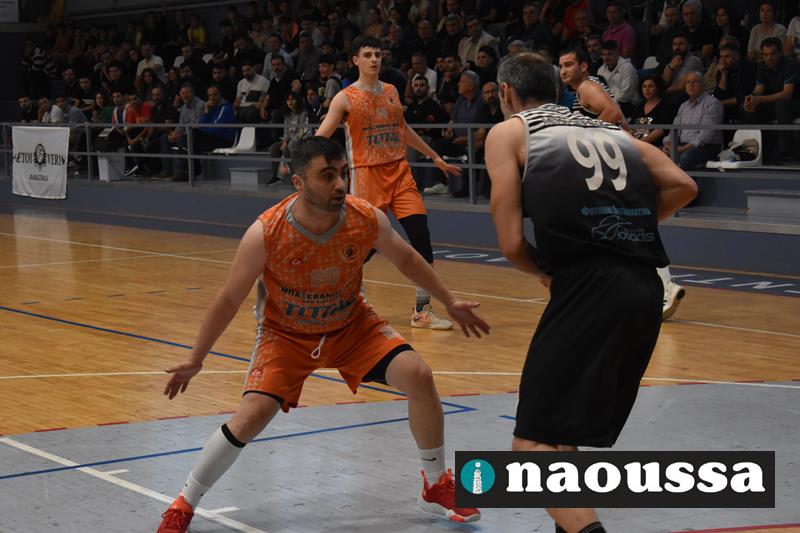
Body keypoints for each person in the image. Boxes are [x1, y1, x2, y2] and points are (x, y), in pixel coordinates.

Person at [155, 137, 488, 533]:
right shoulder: (267, 232)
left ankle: (434, 485)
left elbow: (406, 257)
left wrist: (448, 301)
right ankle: (184, 502)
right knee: (251, 417)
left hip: (351, 326)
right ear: (298, 182)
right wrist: (196, 357)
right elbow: (229, 298)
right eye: (327, 176)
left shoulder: (364, 217)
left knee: (419, 375)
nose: (340, 184)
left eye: (343, 173)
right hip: (286, 336)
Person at [485, 51, 697, 533]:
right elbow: (683, 185)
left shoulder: (510, 132)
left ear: (506, 92)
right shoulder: (611, 131)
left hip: (589, 286)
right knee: (562, 436)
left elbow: (512, 244)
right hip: (645, 288)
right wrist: (621, 228)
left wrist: (548, 270)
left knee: (532, 446)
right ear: (557, 90)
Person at [316, 35, 462, 330]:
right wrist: (313, 169)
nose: (374, 59)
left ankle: (422, 311)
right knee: (365, 246)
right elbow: (321, 137)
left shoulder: (392, 90)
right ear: (355, 60)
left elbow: (402, 129)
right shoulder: (344, 98)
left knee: (420, 237)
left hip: (400, 173)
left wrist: (435, 156)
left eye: (378, 54)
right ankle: (332, 292)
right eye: (367, 55)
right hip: (366, 176)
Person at [559, 47, 627, 128]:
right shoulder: (591, 83)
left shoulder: (586, 86)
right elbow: (622, 121)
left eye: (568, 65)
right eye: (560, 67)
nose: (563, 71)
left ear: (583, 66)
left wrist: (588, 134)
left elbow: (613, 113)